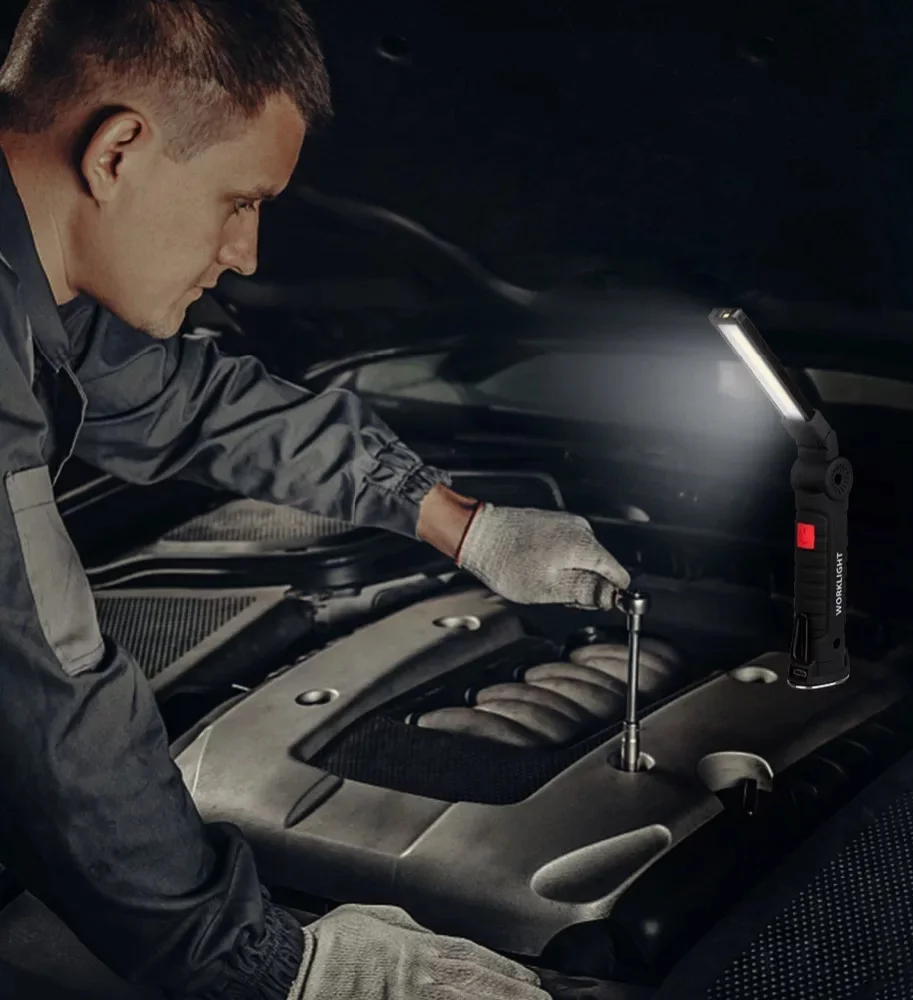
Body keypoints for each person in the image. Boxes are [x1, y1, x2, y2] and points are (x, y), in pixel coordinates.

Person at [0, 2, 631, 999]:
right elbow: (44, 683)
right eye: (239, 201)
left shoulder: (40, 291)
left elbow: (192, 403)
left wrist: (465, 525)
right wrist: (282, 969)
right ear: (118, 152)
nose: (245, 254)